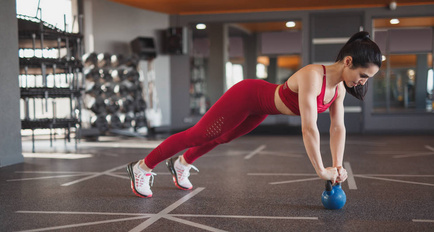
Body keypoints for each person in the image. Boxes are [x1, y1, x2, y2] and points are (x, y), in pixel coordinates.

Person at [127, 31, 382, 198]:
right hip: (248, 95)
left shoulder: (337, 89)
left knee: (222, 138)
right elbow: (309, 127)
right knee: (200, 134)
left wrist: (337, 166)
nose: (362, 82)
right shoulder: (313, 76)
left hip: (261, 109)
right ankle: (142, 167)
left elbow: (338, 128)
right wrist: (320, 170)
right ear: (348, 62)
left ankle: (181, 163)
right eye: (363, 75)